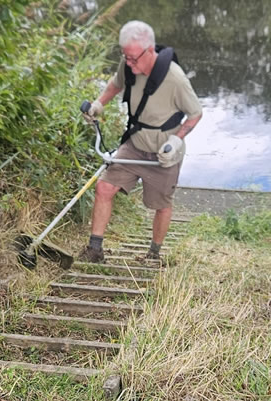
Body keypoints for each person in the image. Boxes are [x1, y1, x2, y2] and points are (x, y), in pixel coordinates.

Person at [79, 20, 202, 263]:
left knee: (161, 203)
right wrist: (98, 104)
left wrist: (176, 141)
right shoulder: (128, 65)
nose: (130, 64)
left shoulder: (175, 78)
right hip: (135, 143)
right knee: (104, 187)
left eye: (134, 58)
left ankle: (153, 254)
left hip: (163, 150)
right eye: (126, 57)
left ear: (150, 50)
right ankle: (95, 250)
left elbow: (196, 113)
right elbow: (116, 84)